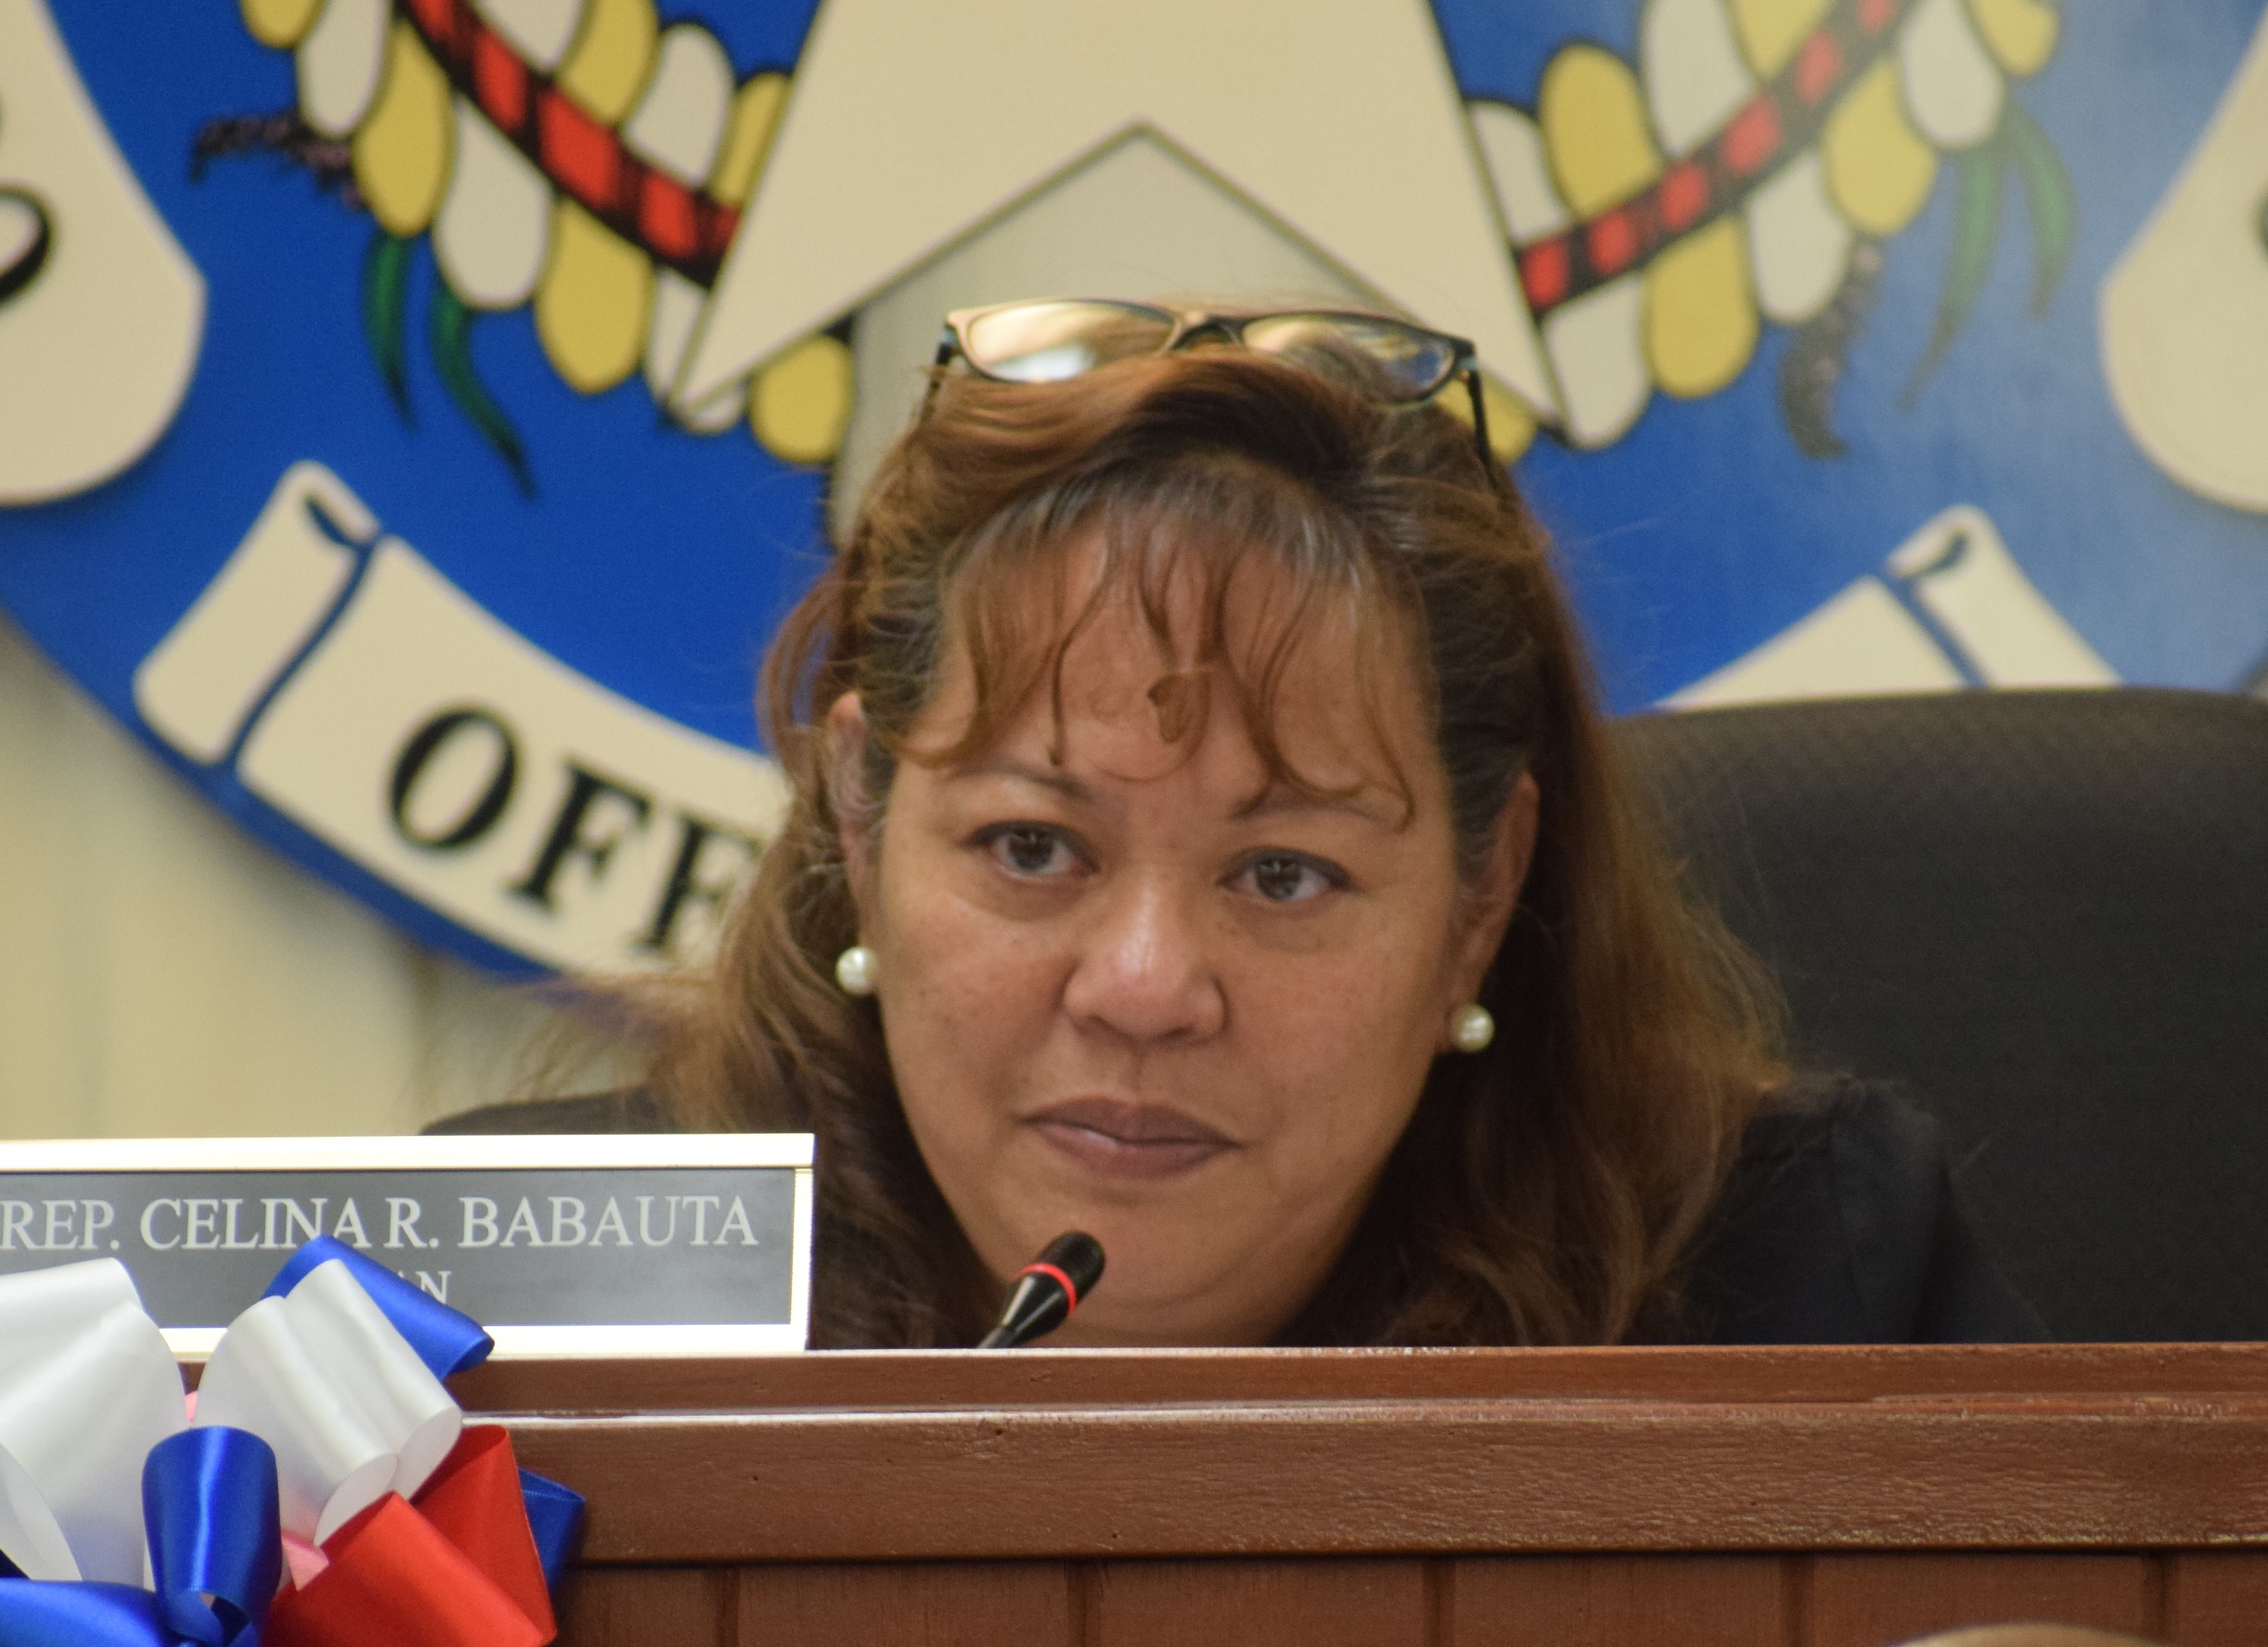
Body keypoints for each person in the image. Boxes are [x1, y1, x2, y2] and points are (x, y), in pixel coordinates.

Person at [436, 299, 2041, 1350]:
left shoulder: (1796, 1287)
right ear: (861, 825)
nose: (1143, 984)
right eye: (1030, 848)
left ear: (1478, 903)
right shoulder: (501, 1314)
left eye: (1282, 873)